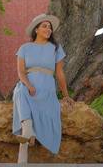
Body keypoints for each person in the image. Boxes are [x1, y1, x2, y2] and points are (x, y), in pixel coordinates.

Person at [12, 13, 73, 163]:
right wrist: (28, 84)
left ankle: (26, 135)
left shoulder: (55, 48)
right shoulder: (24, 48)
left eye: (50, 27)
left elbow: (59, 74)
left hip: (46, 88)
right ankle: (27, 130)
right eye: (44, 26)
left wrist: (66, 95)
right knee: (20, 90)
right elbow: (20, 72)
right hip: (28, 85)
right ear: (36, 30)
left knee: (22, 92)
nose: (48, 29)